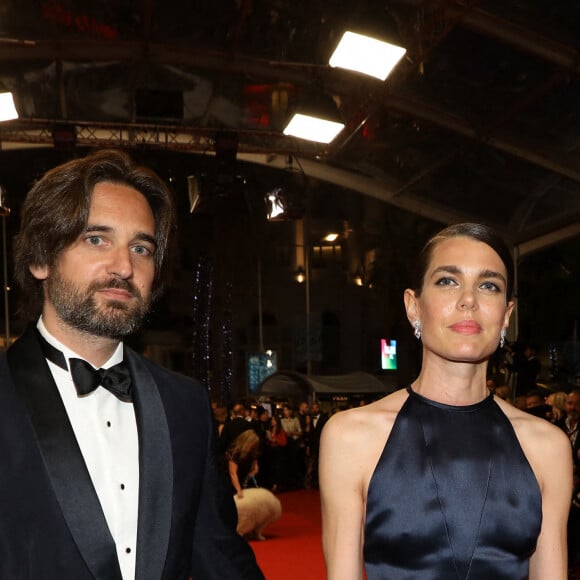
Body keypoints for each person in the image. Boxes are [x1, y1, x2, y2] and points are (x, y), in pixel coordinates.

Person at [0, 149, 264, 579]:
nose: (124, 266)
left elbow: (219, 555)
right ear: (40, 259)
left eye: (140, 247)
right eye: (96, 239)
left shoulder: (185, 404)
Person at [320, 222, 572, 580]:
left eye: (489, 285)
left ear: (506, 315)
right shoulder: (350, 437)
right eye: (448, 281)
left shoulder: (548, 446)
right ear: (413, 307)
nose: (469, 299)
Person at [226, 430, 261, 498]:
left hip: (243, 478)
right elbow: (233, 473)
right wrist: (239, 490)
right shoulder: (234, 452)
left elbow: (254, 461)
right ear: (247, 443)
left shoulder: (252, 450)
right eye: (253, 445)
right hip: (230, 481)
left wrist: (255, 468)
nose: (254, 447)